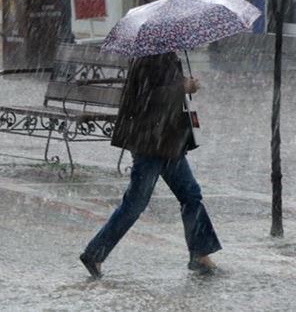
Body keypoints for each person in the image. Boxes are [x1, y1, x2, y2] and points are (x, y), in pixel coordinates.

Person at [79, 52, 221, 278]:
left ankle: (200, 255)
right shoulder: (149, 57)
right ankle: (95, 253)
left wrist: (182, 87)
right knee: (135, 203)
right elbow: (147, 98)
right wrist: (182, 87)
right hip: (151, 143)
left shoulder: (163, 54)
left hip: (167, 142)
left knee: (191, 195)